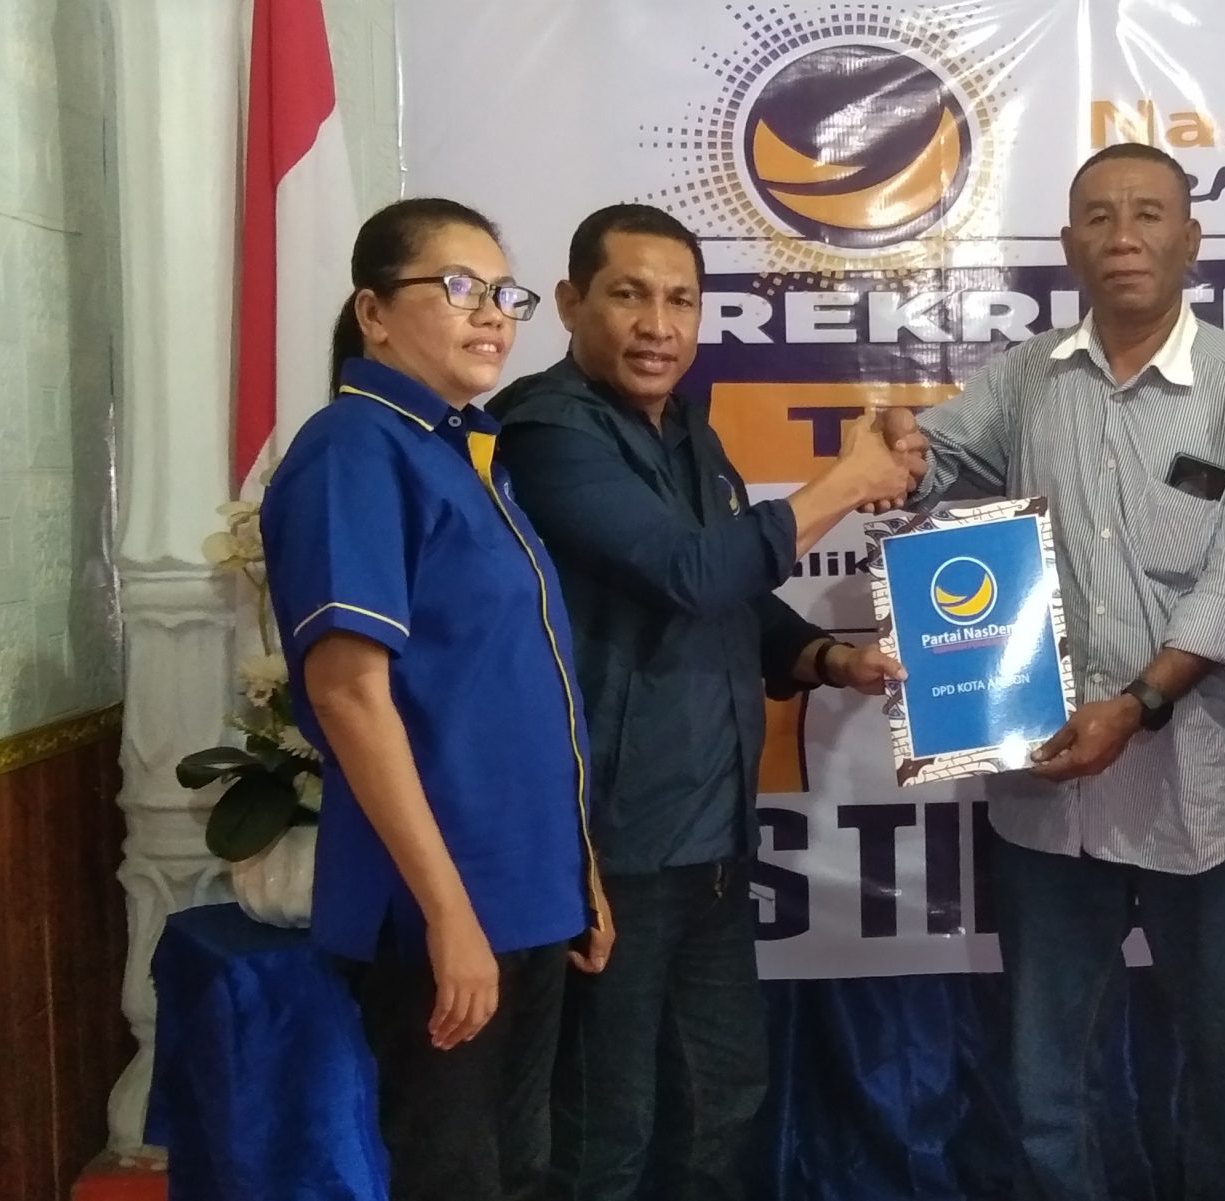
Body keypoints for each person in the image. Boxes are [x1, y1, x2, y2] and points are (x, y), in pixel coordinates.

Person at [874, 142, 1225, 1201]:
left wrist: (1138, 703)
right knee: (1045, 1089)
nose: (1123, 237)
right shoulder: (1027, 379)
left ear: (1191, 240)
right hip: (1050, 803)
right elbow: (932, 461)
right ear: (1069, 246)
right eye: (1099, 218)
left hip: (1203, 798)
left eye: (1148, 214)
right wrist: (898, 446)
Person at [488, 202, 913, 1201]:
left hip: (712, 839)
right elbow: (686, 571)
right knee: (604, 1129)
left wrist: (823, 657)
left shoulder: (687, 428)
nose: (658, 325)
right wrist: (845, 482)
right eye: (629, 295)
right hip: (613, 849)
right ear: (571, 303)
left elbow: (732, 590)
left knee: (720, 1102)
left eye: (681, 300)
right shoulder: (546, 433)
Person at [260, 197, 609, 1201]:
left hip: (526, 892)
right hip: (442, 907)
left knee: (522, 1173)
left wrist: (578, 872)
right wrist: (448, 914)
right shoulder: (354, 448)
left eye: (503, 292)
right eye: (458, 287)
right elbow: (348, 695)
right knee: (453, 1178)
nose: (491, 312)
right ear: (372, 313)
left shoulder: (463, 452)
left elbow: (518, 693)